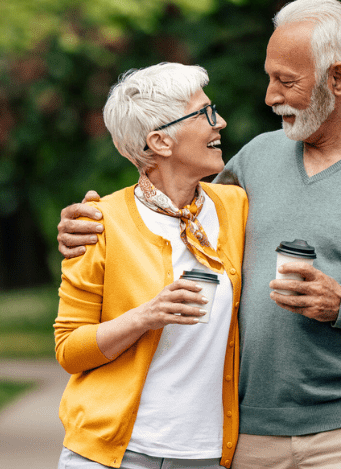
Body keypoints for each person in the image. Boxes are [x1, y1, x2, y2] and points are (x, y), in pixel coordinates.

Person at [57, 0, 341, 469]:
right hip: (248, 437)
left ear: (337, 79)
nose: (269, 96)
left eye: (286, 81)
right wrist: (87, 224)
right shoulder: (255, 159)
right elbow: (175, 210)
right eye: (269, 77)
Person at [54, 62, 248, 469]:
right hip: (112, 454)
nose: (221, 123)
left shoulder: (236, 208)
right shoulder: (98, 223)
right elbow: (70, 350)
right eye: (206, 114)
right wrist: (147, 315)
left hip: (206, 455)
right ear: (160, 141)